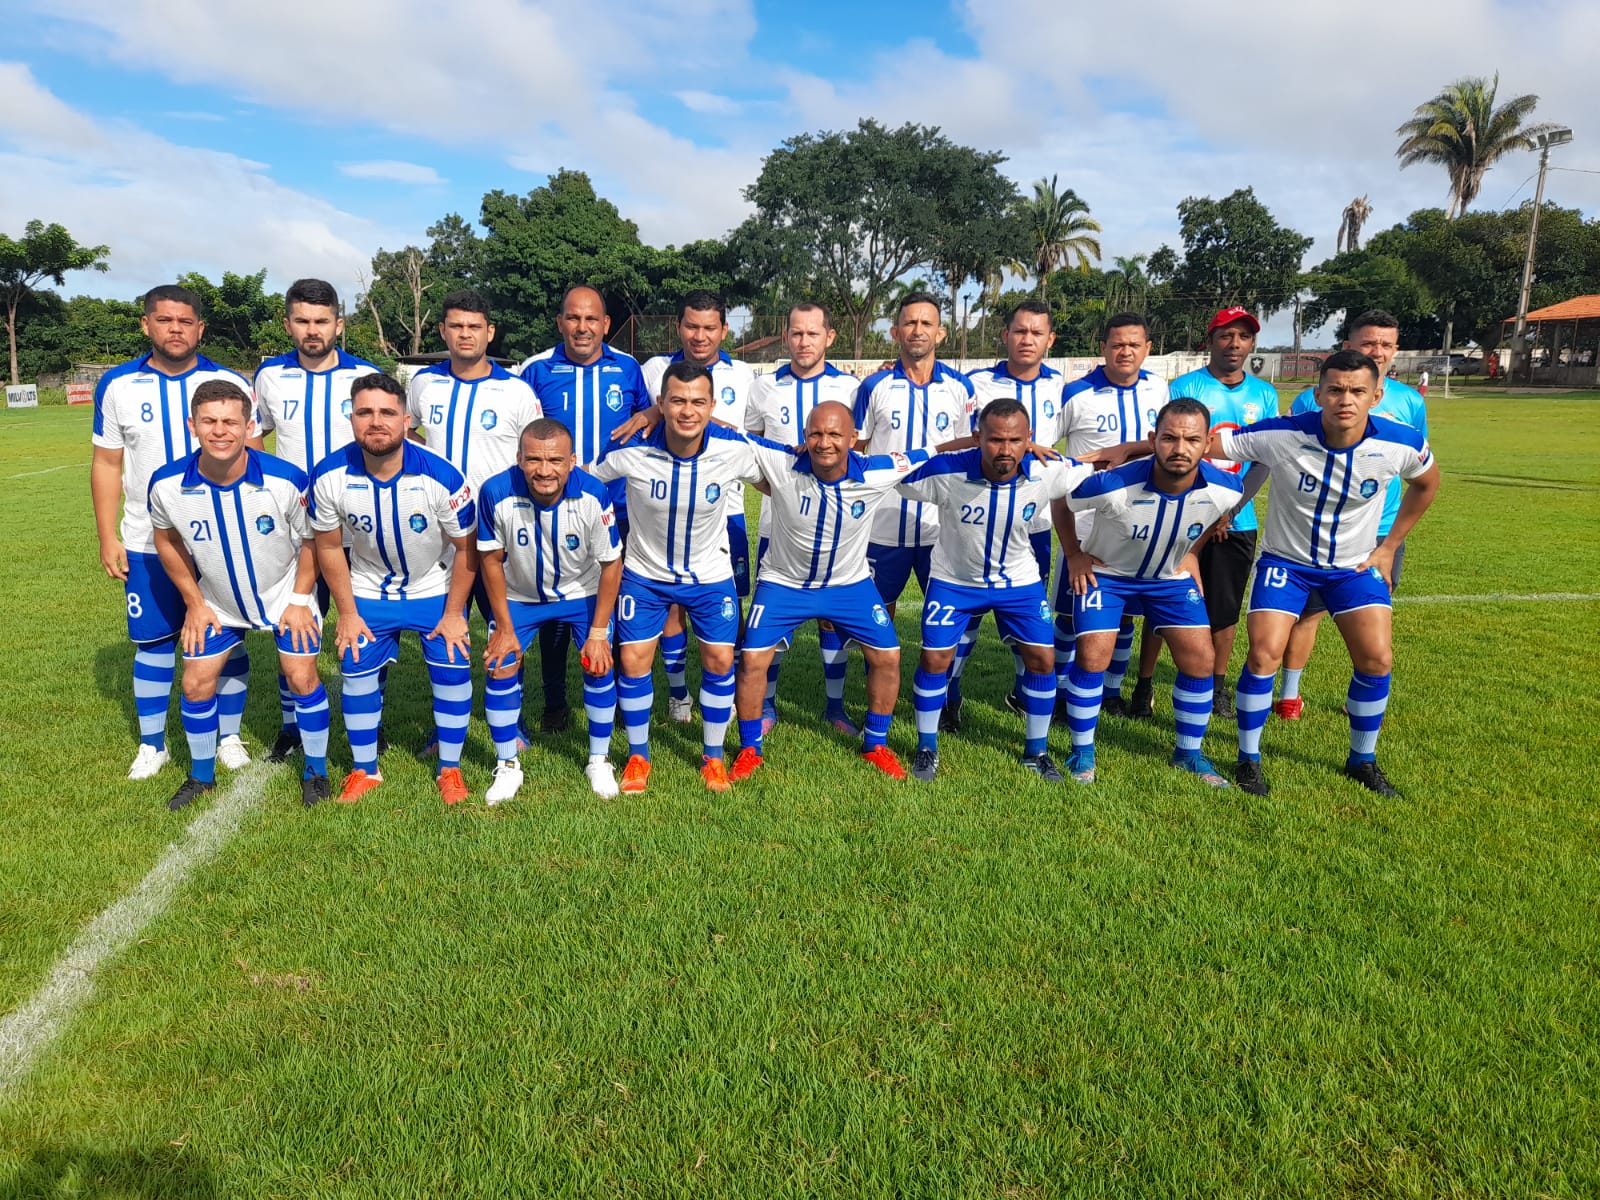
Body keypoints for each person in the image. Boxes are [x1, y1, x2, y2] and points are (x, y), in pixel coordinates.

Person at [1217, 350, 1439, 796]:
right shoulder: (1282, 433)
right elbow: (1201, 444)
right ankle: (1249, 759)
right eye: (1335, 389)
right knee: (1264, 655)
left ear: (1376, 396)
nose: (1346, 399)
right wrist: (1135, 451)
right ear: (1317, 393)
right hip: (1286, 564)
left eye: (1357, 391)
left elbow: (1427, 483)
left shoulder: (1400, 442)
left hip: (1353, 567)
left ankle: (1362, 760)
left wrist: (1389, 546)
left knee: (1377, 658)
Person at [90, 284, 260, 782]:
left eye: (186, 321)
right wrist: (107, 535)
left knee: (228, 638)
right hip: (145, 538)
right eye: (165, 320)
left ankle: (228, 737)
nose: (176, 329)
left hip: (220, 538)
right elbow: (106, 462)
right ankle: (152, 745)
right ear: (147, 325)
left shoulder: (228, 380)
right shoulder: (117, 385)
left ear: (200, 328)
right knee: (154, 642)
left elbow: (254, 454)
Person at [147, 381, 330, 810]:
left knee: (300, 675)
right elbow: (166, 540)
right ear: (192, 425)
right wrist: (194, 602)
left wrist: (301, 600)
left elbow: (313, 541)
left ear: (249, 426)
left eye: (231, 421)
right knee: (194, 684)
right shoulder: (167, 484)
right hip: (218, 604)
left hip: (286, 594)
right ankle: (201, 776)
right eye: (209, 421)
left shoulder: (286, 479)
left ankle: (316, 771)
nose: (220, 431)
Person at [728, 401, 929, 782]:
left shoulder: (876, 470)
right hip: (784, 583)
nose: (825, 443)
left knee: (888, 655)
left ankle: (876, 744)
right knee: (752, 660)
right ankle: (749, 749)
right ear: (804, 437)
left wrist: (1012, 445)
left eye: (835, 434)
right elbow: (729, 431)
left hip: (848, 585)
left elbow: (935, 450)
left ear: (854, 439)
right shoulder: (783, 462)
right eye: (816, 434)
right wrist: (657, 413)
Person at [894, 398, 1092, 782]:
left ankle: (1036, 752)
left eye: (1016, 440)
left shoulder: (1048, 469)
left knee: (1043, 661)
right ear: (977, 439)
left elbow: (1100, 466)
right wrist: (951, 447)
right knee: (936, 661)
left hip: (1018, 582)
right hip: (954, 581)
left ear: (1029, 439)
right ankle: (926, 748)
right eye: (995, 440)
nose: (1005, 450)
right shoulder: (946, 472)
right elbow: (898, 474)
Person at [591, 361, 764, 794]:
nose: (688, 410)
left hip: (710, 575)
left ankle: (714, 758)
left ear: (712, 406)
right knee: (632, 662)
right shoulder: (631, 449)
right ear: (662, 404)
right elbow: (585, 481)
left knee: (720, 661)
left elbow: (779, 474)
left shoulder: (733, 448)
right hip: (645, 575)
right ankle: (638, 756)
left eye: (698, 402)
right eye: (678, 401)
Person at [308, 373, 481, 805]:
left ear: (406, 419)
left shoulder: (442, 475)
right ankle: (366, 770)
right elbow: (328, 547)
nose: (376, 421)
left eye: (387, 412)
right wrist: (347, 613)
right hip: (368, 588)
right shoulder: (329, 475)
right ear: (351, 418)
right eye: (365, 412)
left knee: (451, 670)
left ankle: (451, 769)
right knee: (356, 673)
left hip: (433, 587)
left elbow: (467, 548)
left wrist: (455, 613)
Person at [1055, 398, 1241, 786]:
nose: (1180, 448)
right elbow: (1061, 498)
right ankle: (1081, 753)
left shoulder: (1226, 488)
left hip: (1167, 580)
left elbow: (1213, 519)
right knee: (1093, 657)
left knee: (1201, 660)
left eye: (1192, 439)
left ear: (1207, 443)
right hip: (1108, 575)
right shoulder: (1112, 484)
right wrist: (1074, 553)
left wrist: (1190, 553)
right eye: (1170, 438)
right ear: (1153, 440)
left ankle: (1189, 756)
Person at [1274, 310, 1429, 720]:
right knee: (1307, 613)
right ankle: (1290, 694)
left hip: (1380, 528)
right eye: (1368, 343)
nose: (1377, 351)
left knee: (1373, 616)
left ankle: (1356, 698)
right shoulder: (1312, 397)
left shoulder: (1410, 401)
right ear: (1349, 346)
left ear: (1396, 351)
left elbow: (1418, 467)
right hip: (1320, 530)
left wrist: (1392, 540)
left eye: (1386, 345)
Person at [253, 277, 381, 762]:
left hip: (354, 528)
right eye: (303, 320)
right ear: (288, 323)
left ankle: (370, 721)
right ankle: (290, 725)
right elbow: (255, 437)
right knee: (296, 624)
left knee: (361, 626)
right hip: (292, 533)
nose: (312, 330)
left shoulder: (364, 375)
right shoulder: (268, 376)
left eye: (322, 321)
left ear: (338, 324)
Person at [517, 285, 650, 735]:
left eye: (591, 319)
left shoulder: (628, 368)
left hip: (617, 507)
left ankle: (607, 692)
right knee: (554, 601)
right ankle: (555, 701)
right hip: (552, 508)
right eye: (573, 318)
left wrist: (648, 415)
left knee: (608, 603)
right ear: (560, 323)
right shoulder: (536, 370)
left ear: (606, 325)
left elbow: (648, 416)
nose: (582, 327)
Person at [477, 418, 625, 803]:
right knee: (500, 663)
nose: (544, 470)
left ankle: (599, 759)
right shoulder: (495, 491)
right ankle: (507, 765)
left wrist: (597, 633)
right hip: (521, 595)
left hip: (581, 593)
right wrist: (504, 628)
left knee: (599, 663)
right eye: (534, 460)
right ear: (519, 458)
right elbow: (491, 561)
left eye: (556, 460)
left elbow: (612, 563)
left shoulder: (593, 494)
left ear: (572, 461)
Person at [743, 302, 863, 734]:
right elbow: (751, 455)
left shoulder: (850, 389)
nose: (803, 342)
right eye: (796, 333)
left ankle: (835, 708)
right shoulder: (765, 388)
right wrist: (779, 491)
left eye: (813, 334)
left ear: (829, 337)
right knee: (771, 618)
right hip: (780, 528)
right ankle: (768, 705)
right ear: (786, 336)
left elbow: (860, 452)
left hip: (838, 530)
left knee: (834, 619)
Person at [949, 299, 1069, 719]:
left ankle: (1022, 692)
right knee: (967, 617)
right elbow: (964, 439)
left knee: (1025, 617)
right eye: (1020, 331)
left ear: (1050, 339)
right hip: (978, 515)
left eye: (1037, 333)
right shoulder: (975, 383)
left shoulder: (1061, 386)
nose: (1027, 339)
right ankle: (951, 695)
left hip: (1032, 520)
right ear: (1005, 335)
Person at [640, 291, 757, 723]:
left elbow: (753, 437)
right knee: (670, 600)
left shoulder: (745, 376)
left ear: (724, 330)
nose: (700, 336)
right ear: (679, 326)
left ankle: (727, 689)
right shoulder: (655, 369)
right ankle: (679, 695)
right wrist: (655, 413)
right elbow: (646, 417)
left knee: (725, 602)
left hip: (724, 509)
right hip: (665, 510)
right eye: (692, 326)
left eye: (710, 327)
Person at [1159, 306, 1279, 719]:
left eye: (1243, 337)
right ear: (1210, 340)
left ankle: (1217, 685)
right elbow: (1174, 451)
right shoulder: (1184, 386)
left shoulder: (1264, 394)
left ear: (1251, 345)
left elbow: (1265, 459)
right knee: (1168, 598)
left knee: (1224, 609)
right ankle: (1150, 682)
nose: (1234, 344)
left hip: (1237, 520)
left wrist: (1230, 510)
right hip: (1185, 515)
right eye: (1226, 335)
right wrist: (1206, 512)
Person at [1056, 311, 1171, 721]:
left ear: (1148, 349)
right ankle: (1060, 690)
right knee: (1072, 615)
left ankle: (1111, 692)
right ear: (1102, 347)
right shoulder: (1075, 393)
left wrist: (1126, 450)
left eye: (1134, 344)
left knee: (1123, 616)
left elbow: (1166, 442)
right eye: (1117, 344)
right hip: (1086, 526)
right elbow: (1047, 449)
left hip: (1138, 524)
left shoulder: (1159, 388)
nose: (1125, 351)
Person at [853, 293, 975, 605]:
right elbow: (854, 452)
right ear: (896, 332)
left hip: (941, 528)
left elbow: (967, 453)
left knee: (945, 613)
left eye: (926, 323)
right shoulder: (873, 386)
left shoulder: (961, 387)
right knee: (877, 612)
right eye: (909, 322)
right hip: (882, 524)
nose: (917, 330)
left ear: (940, 333)